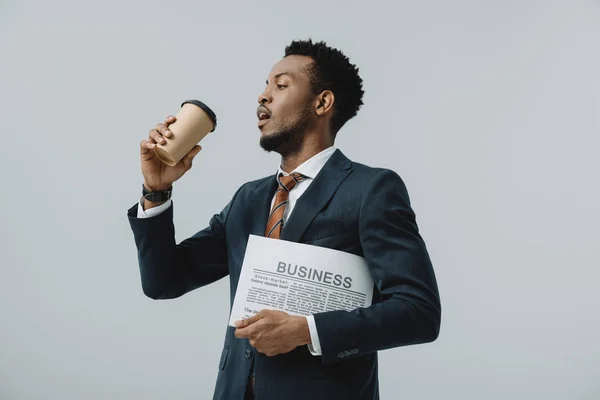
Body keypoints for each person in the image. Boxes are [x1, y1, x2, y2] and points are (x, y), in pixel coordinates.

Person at [127, 38, 441, 400]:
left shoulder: (370, 189)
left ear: (322, 102)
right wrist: (156, 190)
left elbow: (418, 311)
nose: (263, 96)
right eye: (264, 85)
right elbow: (163, 281)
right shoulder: (249, 199)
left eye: (280, 85)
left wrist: (308, 330)